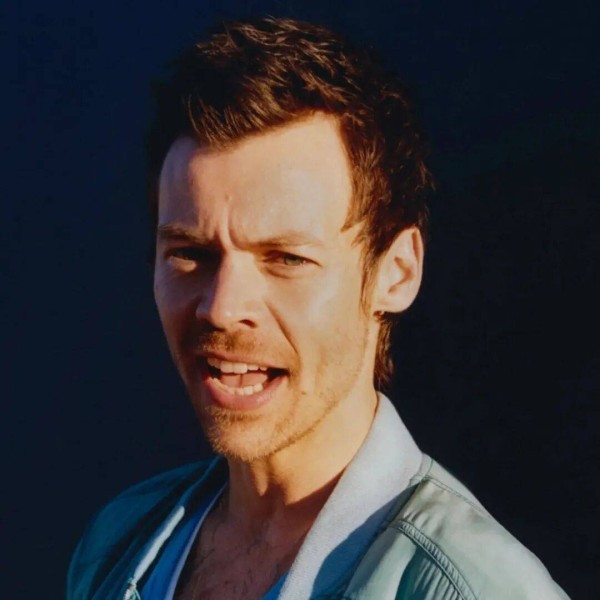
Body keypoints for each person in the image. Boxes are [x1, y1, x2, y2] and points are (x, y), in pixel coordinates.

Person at [67, 17, 569, 600]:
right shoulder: (118, 543)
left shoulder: (475, 588)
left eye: (286, 258)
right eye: (190, 254)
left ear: (396, 273)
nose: (222, 308)